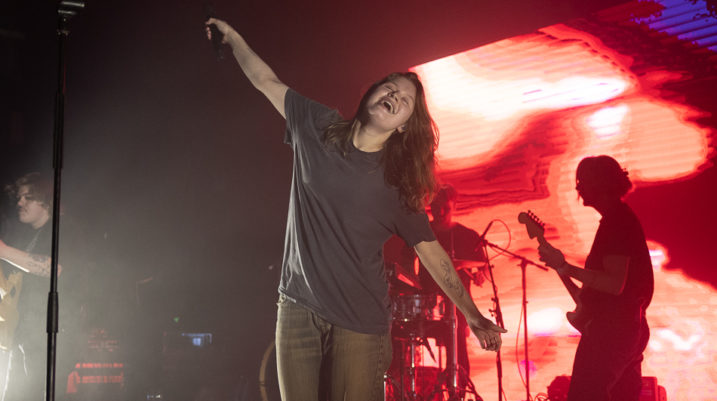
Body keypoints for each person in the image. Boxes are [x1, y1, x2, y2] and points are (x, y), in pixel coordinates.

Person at [206, 17, 506, 401]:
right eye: (390, 87)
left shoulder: (397, 185)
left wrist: (472, 314)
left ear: (403, 126)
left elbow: (432, 254)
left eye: (406, 100)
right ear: (371, 92)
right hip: (296, 306)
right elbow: (267, 81)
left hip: (359, 323)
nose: (395, 95)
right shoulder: (317, 125)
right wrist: (234, 39)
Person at [537, 155, 653, 401]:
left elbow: (614, 284)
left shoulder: (618, 222)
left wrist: (565, 266)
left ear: (600, 183)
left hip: (613, 331)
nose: (578, 187)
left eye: (583, 180)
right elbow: (592, 297)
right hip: (623, 328)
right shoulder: (616, 220)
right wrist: (560, 268)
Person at [420, 184, 487, 393]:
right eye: (435, 207)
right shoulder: (421, 233)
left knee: (457, 344)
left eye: (445, 208)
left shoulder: (468, 236)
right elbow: (405, 262)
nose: (440, 212)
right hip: (426, 303)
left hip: (457, 307)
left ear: (455, 206)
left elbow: (483, 267)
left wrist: (479, 274)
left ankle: (457, 390)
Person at [0, 172, 56, 401]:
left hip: (48, 337)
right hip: (22, 333)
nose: (20, 202)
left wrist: (3, 250)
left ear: (46, 202)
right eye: (19, 197)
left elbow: (53, 268)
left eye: (28, 198)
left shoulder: (64, 230)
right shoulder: (23, 234)